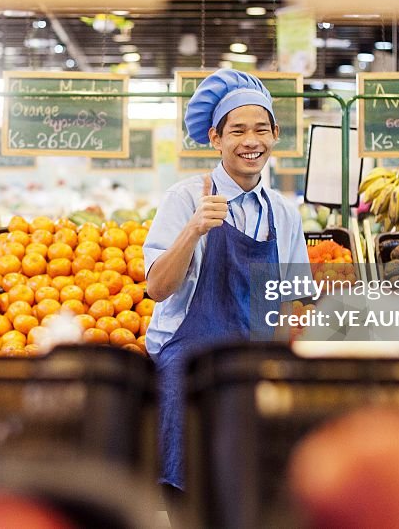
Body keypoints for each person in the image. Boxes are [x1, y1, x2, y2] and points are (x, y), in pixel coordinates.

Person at [142, 68, 309, 493]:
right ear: (216, 138)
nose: (250, 141)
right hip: (189, 363)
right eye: (237, 130)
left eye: (260, 129)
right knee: (187, 491)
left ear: (275, 134)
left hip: (253, 362)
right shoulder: (184, 199)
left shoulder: (284, 212)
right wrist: (194, 230)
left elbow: (291, 304)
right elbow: (157, 288)